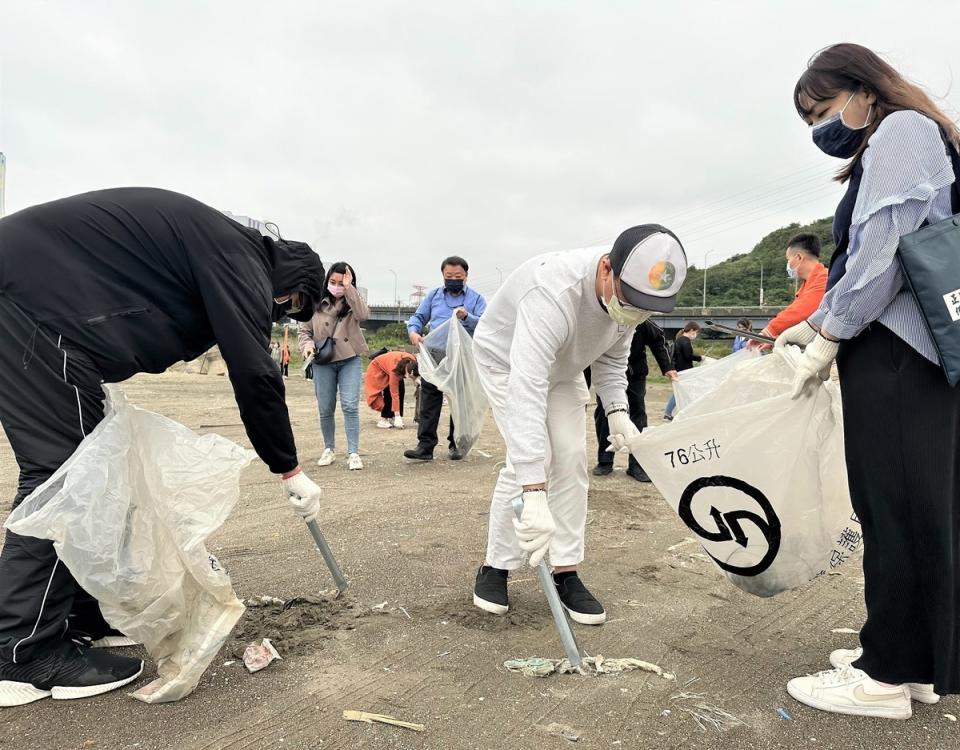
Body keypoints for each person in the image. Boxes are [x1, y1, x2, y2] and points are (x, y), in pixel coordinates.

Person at [0, 188, 326, 706]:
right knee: (67, 481)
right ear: (289, 280)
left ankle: (78, 618)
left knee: (97, 475)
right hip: (30, 312)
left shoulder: (213, 241)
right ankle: (20, 653)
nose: (283, 313)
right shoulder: (239, 256)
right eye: (293, 304)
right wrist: (287, 467)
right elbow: (253, 368)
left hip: (39, 312)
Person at [777, 43, 960, 719]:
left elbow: (882, 250)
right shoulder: (901, 135)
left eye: (824, 110)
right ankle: (908, 662)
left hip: (899, 351)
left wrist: (829, 331)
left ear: (863, 89)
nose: (823, 128)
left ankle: (882, 678)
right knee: (903, 509)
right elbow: (869, 256)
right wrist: (820, 321)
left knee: (900, 510)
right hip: (898, 351)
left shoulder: (903, 130)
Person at [471, 225, 687, 623]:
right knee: (530, 461)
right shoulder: (551, 290)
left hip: (565, 365)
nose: (635, 314)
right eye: (630, 301)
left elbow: (610, 360)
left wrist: (618, 412)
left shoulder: (631, 299)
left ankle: (565, 571)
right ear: (607, 268)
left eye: (645, 308)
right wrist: (534, 491)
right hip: (507, 363)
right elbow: (528, 387)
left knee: (570, 457)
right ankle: (496, 565)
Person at [403, 256, 487, 461]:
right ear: (442, 275)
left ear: (466, 276)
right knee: (429, 401)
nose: (453, 279)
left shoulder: (476, 299)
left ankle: (457, 444)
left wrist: (467, 317)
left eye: (458, 276)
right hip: (435, 355)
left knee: (459, 401)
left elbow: (486, 325)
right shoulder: (433, 296)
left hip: (462, 359)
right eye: (449, 276)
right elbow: (418, 318)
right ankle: (425, 446)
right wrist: (413, 331)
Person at [299, 262, 369, 471]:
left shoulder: (353, 301)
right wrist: (308, 346)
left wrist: (349, 290)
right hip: (323, 361)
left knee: (349, 405)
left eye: (342, 282)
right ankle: (329, 448)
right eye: (333, 282)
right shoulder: (314, 303)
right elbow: (304, 331)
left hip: (349, 359)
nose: (337, 286)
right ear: (326, 281)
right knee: (325, 408)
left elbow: (363, 315)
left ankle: (353, 452)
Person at [590, 321, 678, 482]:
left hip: (635, 374)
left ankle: (636, 464)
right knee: (604, 414)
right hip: (605, 374)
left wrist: (667, 367)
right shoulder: (603, 318)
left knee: (638, 415)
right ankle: (605, 460)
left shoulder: (640, 318)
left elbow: (658, 340)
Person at [750, 234, 828, 349]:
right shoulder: (808, 284)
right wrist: (777, 337)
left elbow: (802, 311)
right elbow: (799, 321)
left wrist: (769, 331)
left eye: (788, 259)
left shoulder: (824, 278)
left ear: (799, 257)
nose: (788, 265)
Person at [364, 350, 418, 428]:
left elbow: (414, 372)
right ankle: (384, 419)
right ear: (406, 372)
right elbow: (394, 394)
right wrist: (398, 416)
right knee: (389, 391)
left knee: (401, 389)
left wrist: (415, 379)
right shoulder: (394, 371)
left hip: (392, 367)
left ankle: (392, 416)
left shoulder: (412, 361)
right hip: (377, 369)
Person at [662, 322, 702, 420]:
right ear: (692, 330)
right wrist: (700, 358)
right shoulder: (685, 341)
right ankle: (673, 413)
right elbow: (688, 356)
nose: (696, 335)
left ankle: (670, 413)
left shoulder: (679, 340)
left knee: (680, 392)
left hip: (678, 370)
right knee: (681, 392)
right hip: (685, 371)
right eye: (696, 332)